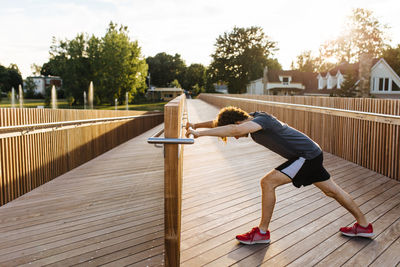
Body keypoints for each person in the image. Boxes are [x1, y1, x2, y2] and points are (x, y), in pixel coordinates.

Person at [186, 106, 373, 245]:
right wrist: (195, 125)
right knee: (332, 191)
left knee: (267, 183)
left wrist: (199, 134)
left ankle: (261, 232)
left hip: (306, 156)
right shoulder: (252, 118)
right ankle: (364, 226)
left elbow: (235, 130)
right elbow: (223, 125)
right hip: (311, 153)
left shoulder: (260, 121)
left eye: (232, 131)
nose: (234, 137)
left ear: (236, 122)